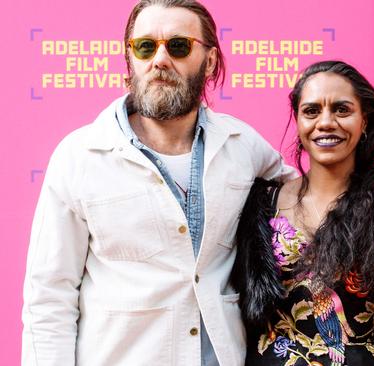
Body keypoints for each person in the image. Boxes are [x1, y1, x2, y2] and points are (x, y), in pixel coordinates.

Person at [21, 1, 295, 365]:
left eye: (178, 46)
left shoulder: (242, 145)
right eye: (145, 47)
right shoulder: (79, 156)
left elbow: (309, 199)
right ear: (130, 60)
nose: (160, 60)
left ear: (210, 62)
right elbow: (49, 298)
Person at [231, 60, 374, 366]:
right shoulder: (262, 205)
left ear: (364, 120)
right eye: (312, 111)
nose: (326, 122)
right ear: (299, 120)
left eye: (342, 109)